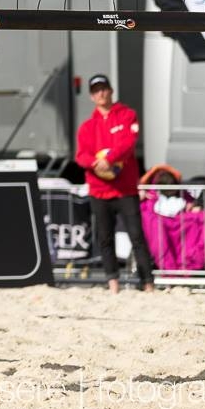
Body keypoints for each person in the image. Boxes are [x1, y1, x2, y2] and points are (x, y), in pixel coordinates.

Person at [74, 73, 155, 292]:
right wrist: (95, 163)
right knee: (105, 238)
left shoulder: (127, 115)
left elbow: (128, 143)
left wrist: (108, 159)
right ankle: (113, 285)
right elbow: (81, 156)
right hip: (99, 190)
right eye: (96, 90)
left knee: (137, 236)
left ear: (111, 90)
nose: (100, 93)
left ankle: (148, 283)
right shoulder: (87, 127)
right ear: (91, 96)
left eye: (103, 88)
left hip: (125, 189)